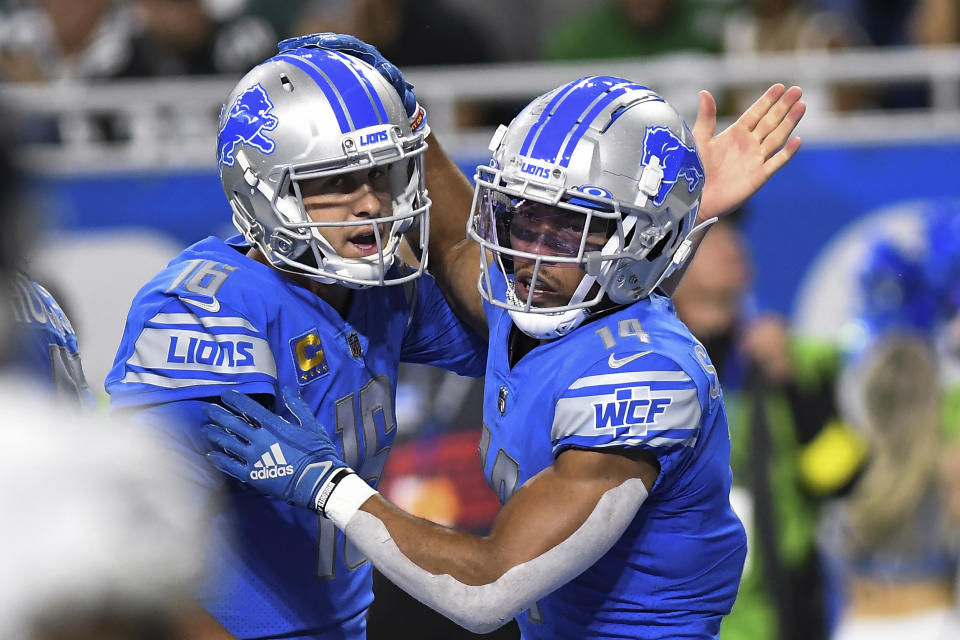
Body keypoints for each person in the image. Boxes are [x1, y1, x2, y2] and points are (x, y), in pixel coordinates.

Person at [202, 35, 806, 638]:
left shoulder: (646, 378)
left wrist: (328, 485)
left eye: (569, 228)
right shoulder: (537, 303)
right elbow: (459, 244)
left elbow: (491, 588)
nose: (530, 255)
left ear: (639, 239)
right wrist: (412, 124)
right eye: (522, 215)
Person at [104, 44, 487, 640]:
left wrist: (419, 131)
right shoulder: (207, 310)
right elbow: (125, 553)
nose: (369, 202)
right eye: (335, 181)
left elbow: (504, 320)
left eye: (380, 174)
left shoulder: (382, 286)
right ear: (266, 194)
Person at [672, 218, 865, 640]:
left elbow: (842, 479)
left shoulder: (798, 359)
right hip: (679, 615)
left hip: (781, 614)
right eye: (711, 239)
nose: (732, 247)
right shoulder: (640, 364)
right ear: (672, 265)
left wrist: (791, 383)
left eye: (734, 236)